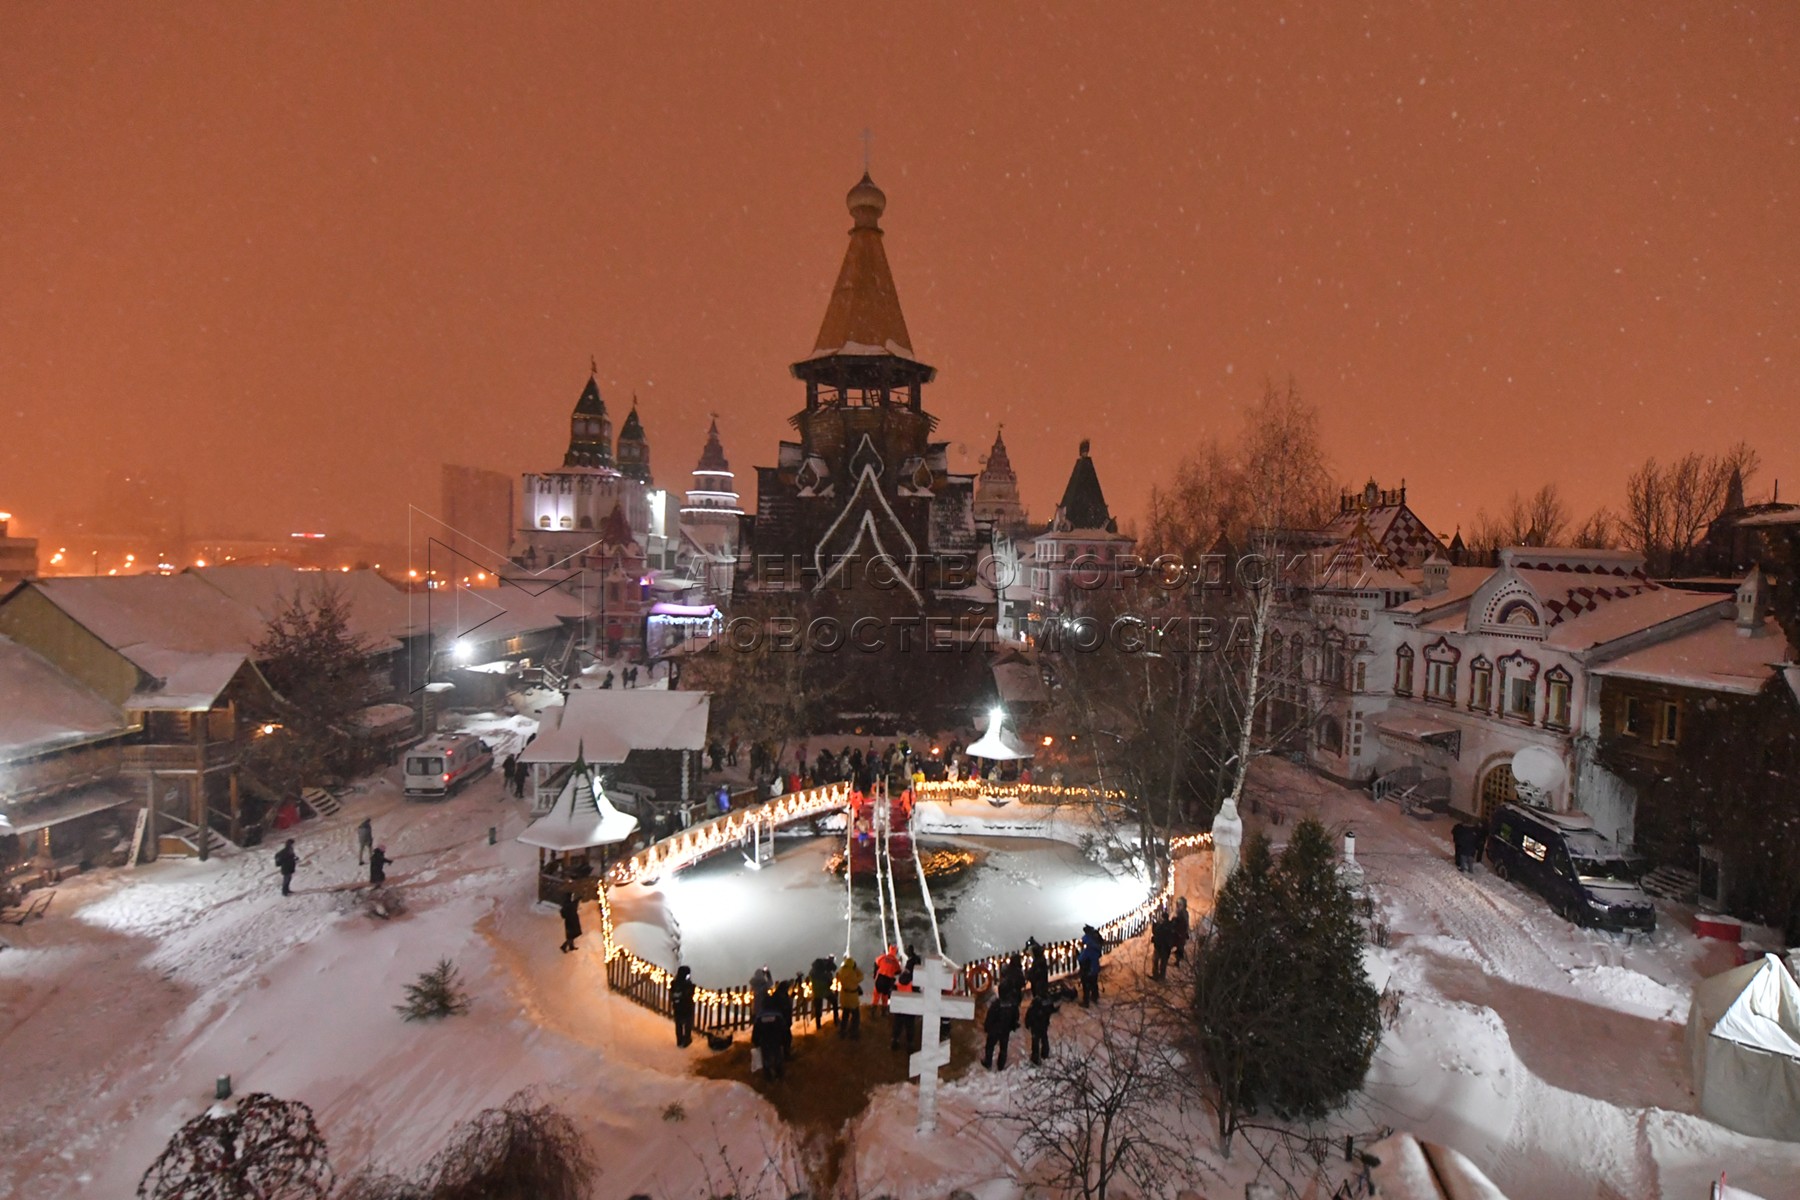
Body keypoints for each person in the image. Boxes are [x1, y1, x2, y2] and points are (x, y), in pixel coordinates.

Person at [982, 991, 1020, 1070]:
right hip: (1005, 1029)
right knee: (1003, 1047)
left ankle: (988, 1062)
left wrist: (987, 1027)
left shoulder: (996, 1005)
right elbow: (1015, 1016)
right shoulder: (1012, 1005)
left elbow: (990, 1017)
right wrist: (1013, 1025)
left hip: (994, 1030)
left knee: (990, 1046)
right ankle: (1001, 1064)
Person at [1025, 990, 1060, 1065]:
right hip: (1044, 1023)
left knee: (1035, 1041)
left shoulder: (1036, 1001)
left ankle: (1035, 1058)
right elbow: (1051, 1009)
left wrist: (1027, 1022)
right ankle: (1045, 1054)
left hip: (1036, 1024)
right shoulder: (1048, 999)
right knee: (1044, 1038)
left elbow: (1030, 1012)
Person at [834, 955, 864, 1039]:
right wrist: (856, 969)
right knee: (856, 1016)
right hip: (852, 997)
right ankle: (853, 1033)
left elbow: (837, 977)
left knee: (845, 1015)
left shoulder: (841, 971)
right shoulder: (852, 973)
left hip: (844, 996)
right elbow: (861, 977)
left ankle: (842, 1032)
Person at [808, 954, 838, 1029]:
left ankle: (818, 1026)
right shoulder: (824, 975)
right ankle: (836, 1019)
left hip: (816, 993)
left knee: (818, 1010)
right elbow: (830, 982)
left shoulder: (812, 973)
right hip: (825, 991)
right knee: (834, 1001)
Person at [1077, 925, 1103, 1007]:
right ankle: (1095, 997)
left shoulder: (1089, 949)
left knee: (1086, 985)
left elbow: (1082, 959)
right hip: (1094, 968)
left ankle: (1086, 1002)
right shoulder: (1096, 948)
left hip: (1088, 969)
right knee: (1094, 983)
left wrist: (1078, 955)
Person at [671, 965, 696, 1047]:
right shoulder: (687, 984)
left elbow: (673, 994)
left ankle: (679, 1040)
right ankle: (686, 1040)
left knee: (678, 1024)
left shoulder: (674, 983)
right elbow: (689, 994)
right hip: (686, 1006)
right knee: (687, 1024)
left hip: (677, 1007)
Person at [873, 945, 901, 1015]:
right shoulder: (895, 961)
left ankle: (873, 1012)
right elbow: (899, 971)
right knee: (885, 997)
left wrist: (875, 973)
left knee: (876, 995)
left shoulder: (883, 957)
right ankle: (883, 1013)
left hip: (880, 978)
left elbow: (876, 963)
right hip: (888, 980)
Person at [1150, 905, 1174, 980]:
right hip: (1166, 947)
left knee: (1156, 960)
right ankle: (1161, 976)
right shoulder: (1170, 926)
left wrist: (1154, 925)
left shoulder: (1162, 926)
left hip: (1160, 946)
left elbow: (1156, 932)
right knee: (1163, 962)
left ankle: (1156, 975)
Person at [1170, 897, 1190, 967]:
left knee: (1179, 947)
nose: (1179, 906)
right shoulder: (1178, 912)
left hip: (1181, 933)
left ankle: (1178, 961)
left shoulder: (1184, 913)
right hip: (1177, 932)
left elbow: (1185, 923)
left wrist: (1185, 932)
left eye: (1180, 904)